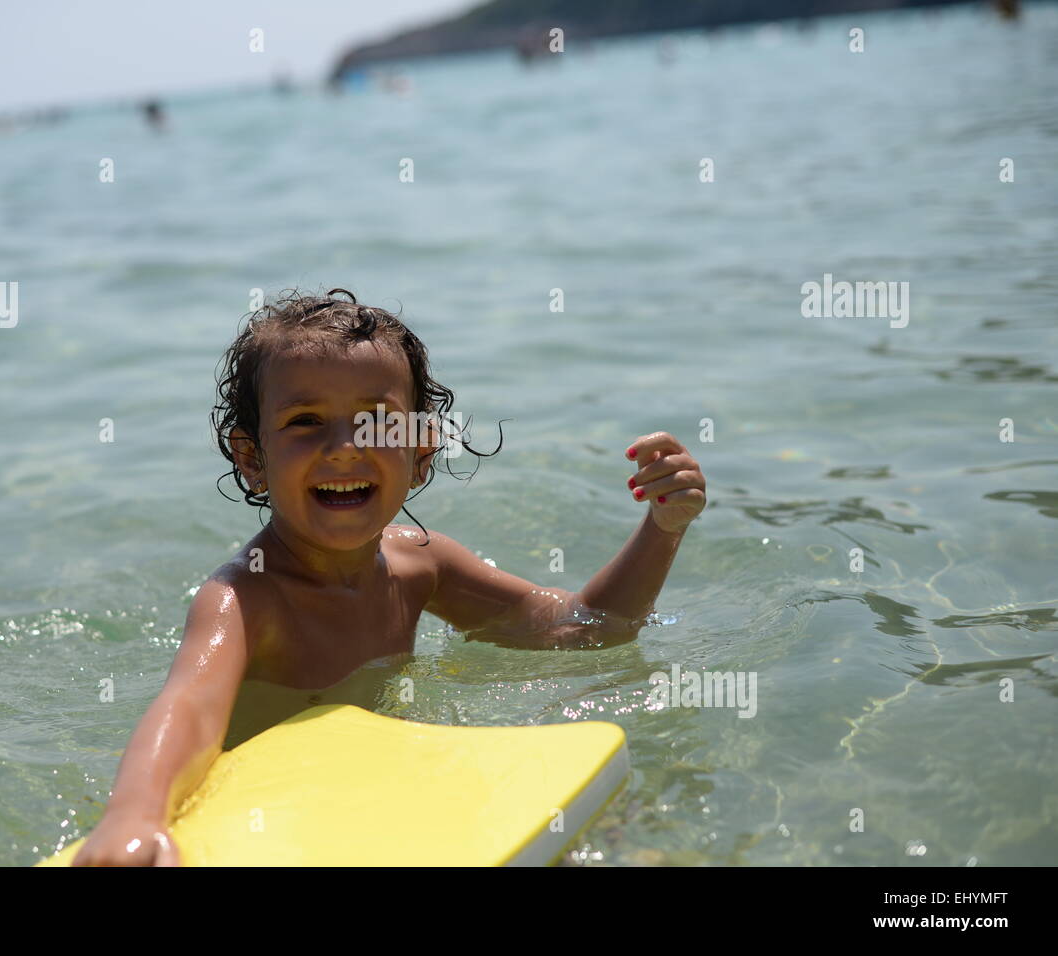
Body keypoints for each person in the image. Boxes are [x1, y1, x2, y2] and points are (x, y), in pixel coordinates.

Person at [72, 288, 707, 865]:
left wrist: (663, 527)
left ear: (421, 454)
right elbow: (189, 706)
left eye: (377, 421)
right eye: (305, 421)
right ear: (252, 460)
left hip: (385, 791)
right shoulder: (244, 598)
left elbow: (586, 630)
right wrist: (135, 815)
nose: (344, 446)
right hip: (279, 818)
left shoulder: (421, 566)